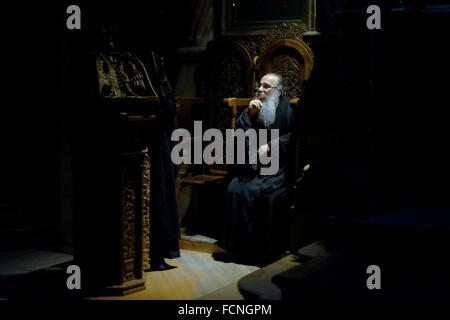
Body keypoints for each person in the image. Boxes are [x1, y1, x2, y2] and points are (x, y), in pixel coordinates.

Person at [218, 73, 295, 265]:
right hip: (253, 167)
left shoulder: (288, 109)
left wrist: (271, 145)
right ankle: (239, 249)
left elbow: (294, 136)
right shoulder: (253, 108)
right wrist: (250, 116)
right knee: (235, 188)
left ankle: (265, 252)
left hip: (277, 168)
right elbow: (239, 137)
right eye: (259, 86)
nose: (260, 90)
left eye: (266, 86)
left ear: (279, 91)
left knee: (269, 196)